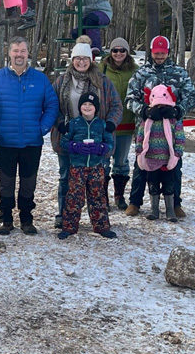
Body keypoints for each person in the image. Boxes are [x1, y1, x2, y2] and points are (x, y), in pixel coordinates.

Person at [0, 36, 58, 235]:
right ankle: (6, 219)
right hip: (4, 141)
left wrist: (41, 128)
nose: (19, 55)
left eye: (23, 51)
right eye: (15, 51)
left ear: (28, 53)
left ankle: (27, 219)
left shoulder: (40, 79)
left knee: (28, 182)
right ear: (9, 53)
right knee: (6, 183)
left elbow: (51, 105)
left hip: (31, 142)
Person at [51, 42, 122, 228]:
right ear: (72, 60)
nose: (81, 62)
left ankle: (98, 218)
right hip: (69, 137)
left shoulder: (102, 81)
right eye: (77, 58)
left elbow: (116, 105)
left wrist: (110, 124)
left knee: (97, 181)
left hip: (96, 137)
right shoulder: (61, 81)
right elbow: (51, 106)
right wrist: (60, 124)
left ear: (91, 60)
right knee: (66, 177)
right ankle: (64, 216)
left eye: (85, 58)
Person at [125, 35, 195, 218]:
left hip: (171, 132)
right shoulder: (141, 74)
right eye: (156, 53)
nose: (159, 56)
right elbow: (129, 99)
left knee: (174, 167)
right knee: (141, 166)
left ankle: (175, 204)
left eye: (162, 53)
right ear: (151, 52)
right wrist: (144, 111)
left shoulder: (179, 73)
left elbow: (191, 98)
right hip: (147, 129)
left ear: (168, 52)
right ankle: (135, 202)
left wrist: (178, 111)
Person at [58, 92, 116, 239]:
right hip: (77, 167)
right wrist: (75, 146)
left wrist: (102, 148)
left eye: (91, 105)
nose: (87, 107)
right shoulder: (74, 124)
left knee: (98, 196)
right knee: (74, 197)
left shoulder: (101, 124)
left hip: (96, 167)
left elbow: (110, 142)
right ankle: (69, 227)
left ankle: (101, 226)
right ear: (80, 107)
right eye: (84, 104)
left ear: (96, 108)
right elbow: (63, 142)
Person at [134, 84, 185, 222]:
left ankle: (170, 210)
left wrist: (178, 152)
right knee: (153, 184)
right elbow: (140, 135)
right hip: (151, 158)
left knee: (169, 185)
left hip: (168, 159)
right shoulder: (148, 119)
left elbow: (179, 136)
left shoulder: (174, 119)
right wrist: (139, 149)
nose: (160, 108)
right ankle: (154, 210)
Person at [99, 37, 138, 210]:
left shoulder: (136, 71)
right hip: (106, 124)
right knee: (104, 161)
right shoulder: (102, 69)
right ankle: (102, 196)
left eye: (122, 50)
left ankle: (119, 195)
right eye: (115, 50)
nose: (118, 53)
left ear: (127, 52)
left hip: (127, 124)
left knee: (121, 161)